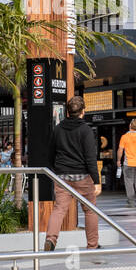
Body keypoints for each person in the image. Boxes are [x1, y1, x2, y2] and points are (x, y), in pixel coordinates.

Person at [44, 95, 100, 252]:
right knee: (90, 210)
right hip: (82, 176)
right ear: (83, 111)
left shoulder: (58, 129)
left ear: (68, 112)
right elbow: (90, 158)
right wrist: (96, 181)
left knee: (59, 209)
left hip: (62, 177)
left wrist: (55, 171)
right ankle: (92, 245)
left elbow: (50, 154)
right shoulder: (86, 130)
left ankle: (51, 239)